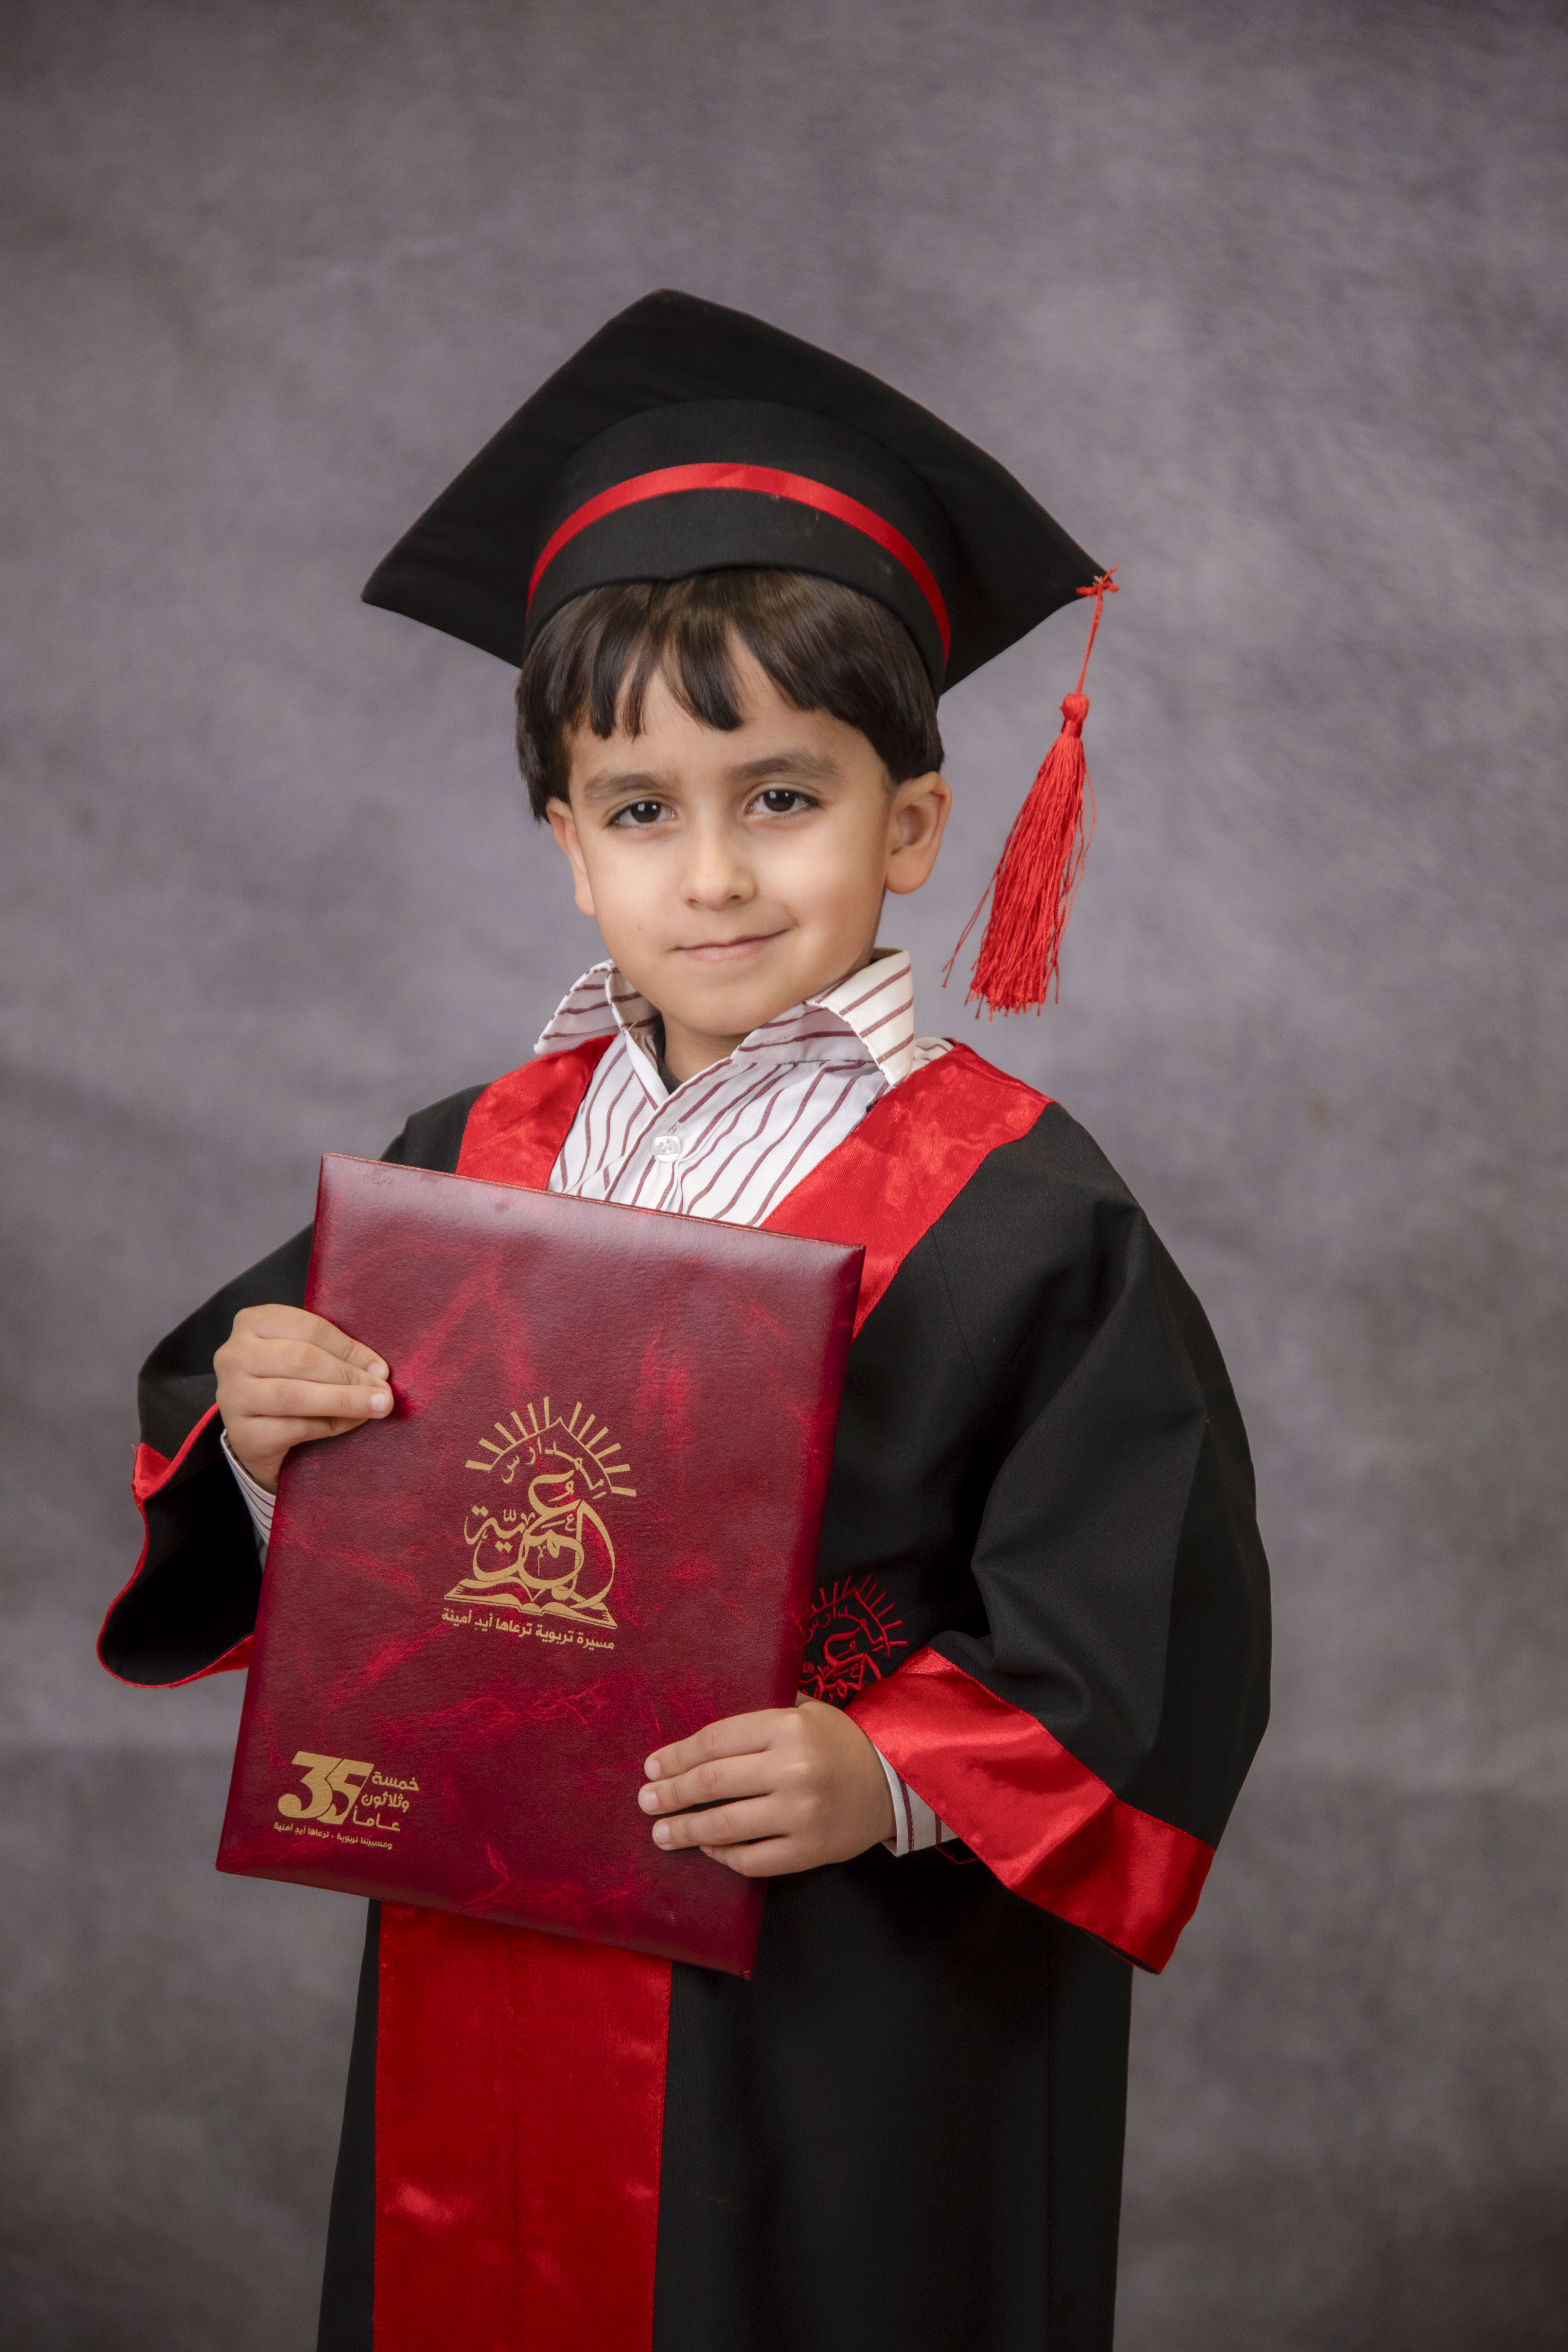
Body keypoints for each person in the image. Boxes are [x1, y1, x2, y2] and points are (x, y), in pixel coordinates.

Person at [99, 290, 1270, 2352]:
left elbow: (1149, 1614)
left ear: (914, 824)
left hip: (846, 1987)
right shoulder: (469, 1156)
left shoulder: (1027, 1206)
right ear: (570, 849)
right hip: (493, 1922)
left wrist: (888, 1774)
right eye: (643, 808)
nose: (714, 873)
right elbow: (277, 1456)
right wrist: (265, 1440)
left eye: (784, 797)